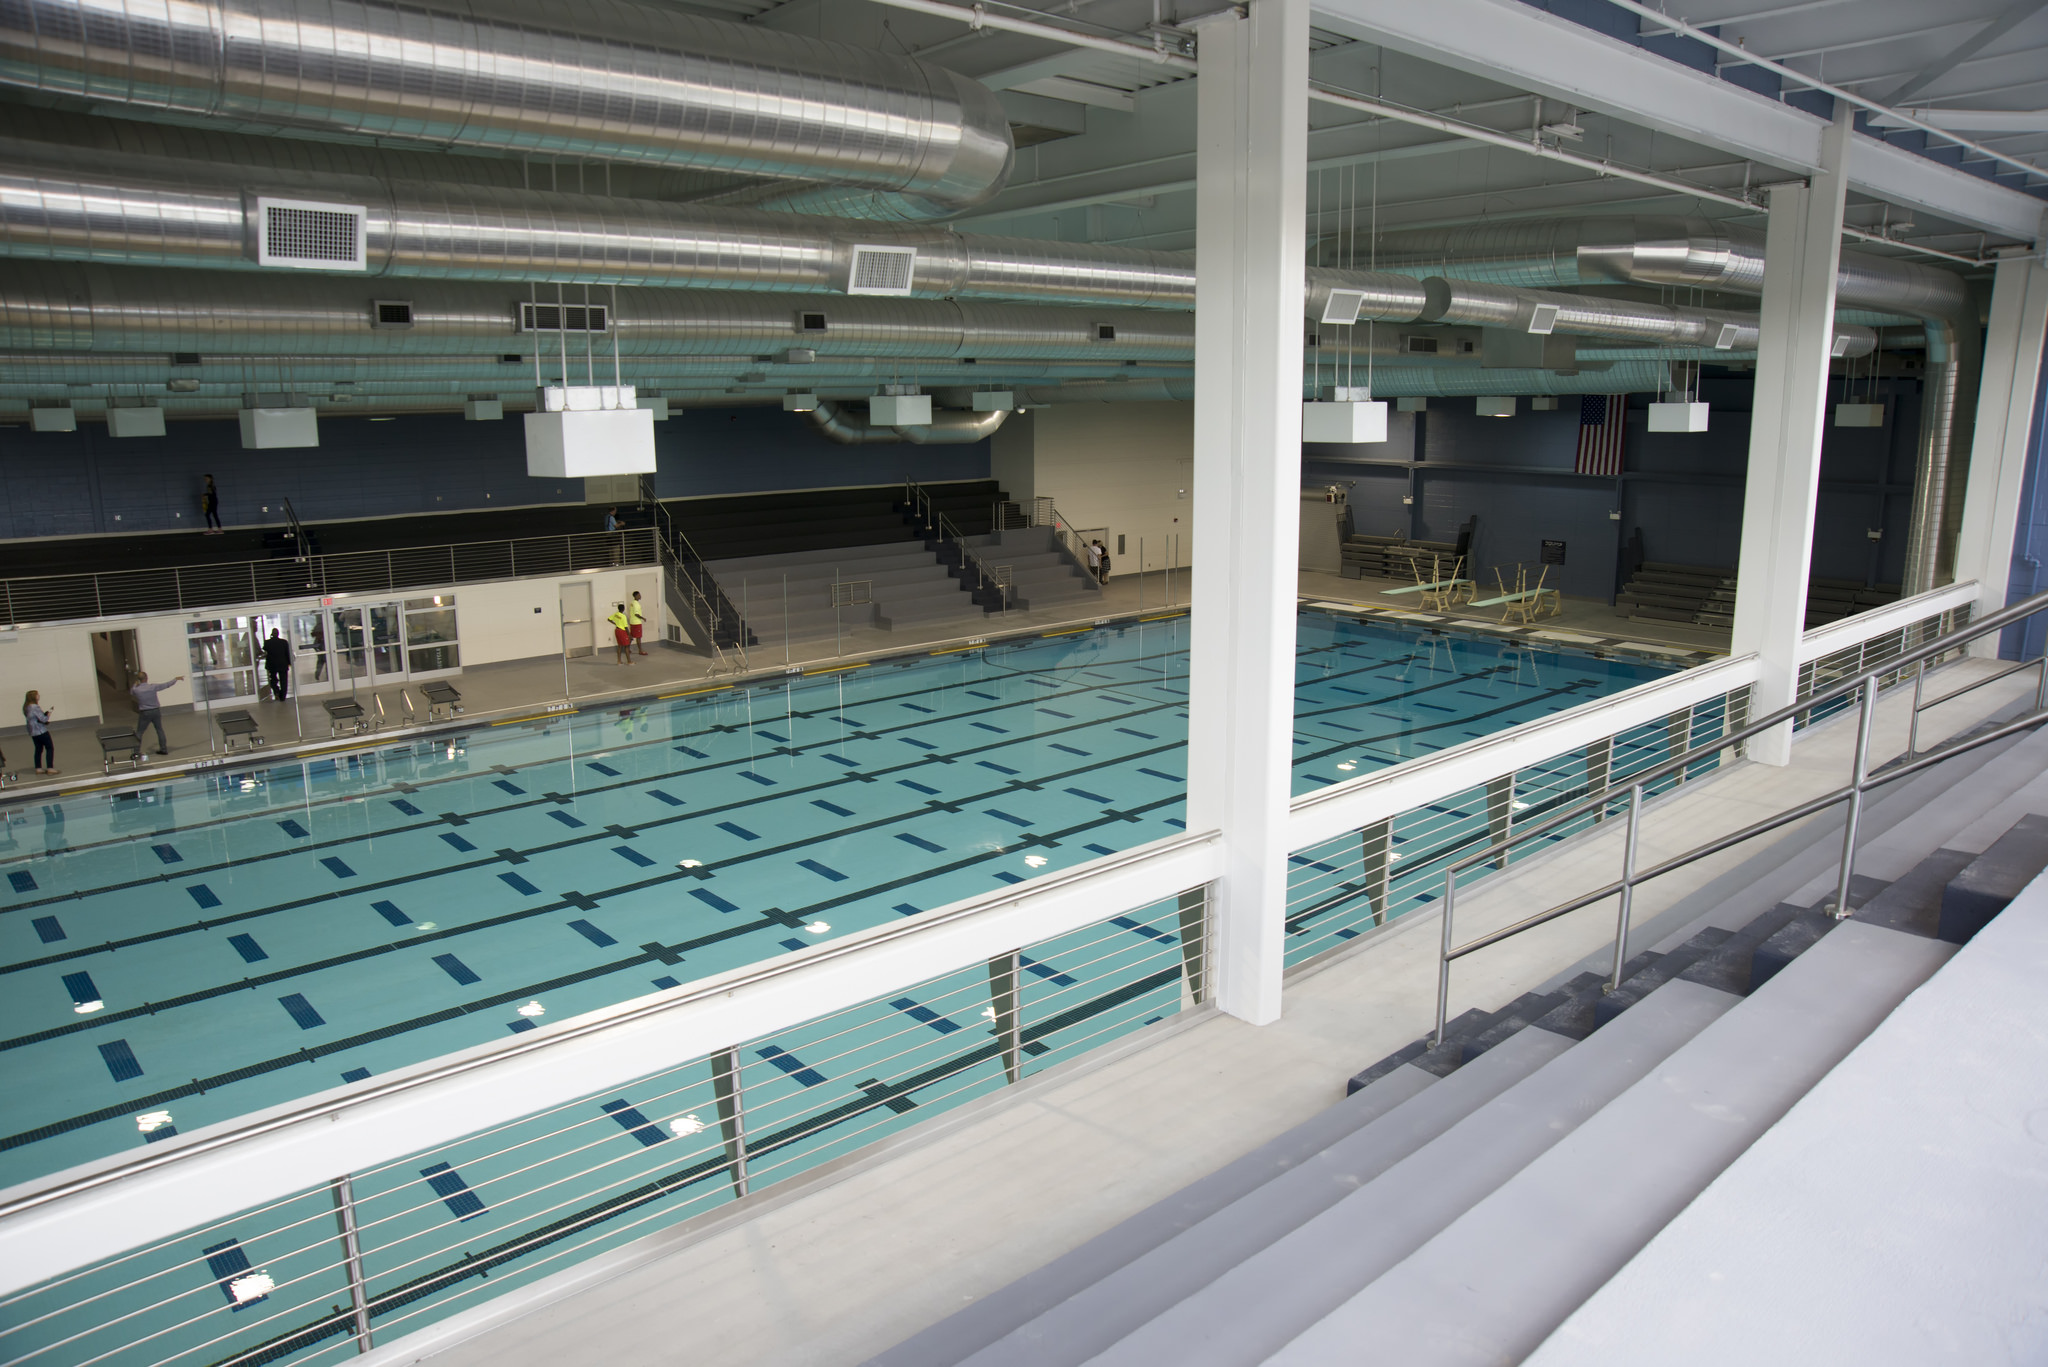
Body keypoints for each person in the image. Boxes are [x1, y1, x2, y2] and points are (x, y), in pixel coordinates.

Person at [130, 671, 185, 755]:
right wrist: (175, 679)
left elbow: (131, 692)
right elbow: (166, 685)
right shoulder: (153, 687)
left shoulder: (137, 690)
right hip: (155, 711)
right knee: (159, 730)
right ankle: (163, 749)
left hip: (145, 712)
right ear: (146, 678)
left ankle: (136, 751)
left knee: (140, 732)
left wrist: (135, 684)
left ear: (139, 680)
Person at [23, 690, 56, 775]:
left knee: (38, 749)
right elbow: (43, 719)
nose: (39, 695)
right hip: (41, 731)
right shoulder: (35, 707)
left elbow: (35, 718)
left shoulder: (26, 707)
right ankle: (50, 768)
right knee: (49, 748)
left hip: (33, 732)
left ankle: (38, 768)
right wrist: (49, 713)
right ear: (34, 697)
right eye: (37, 694)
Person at [262, 629, 292, 700]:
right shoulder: (284, 642)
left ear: (272, 634)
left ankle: (276, 691)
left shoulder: (267, 642)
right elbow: (287, 653)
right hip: (283, 664)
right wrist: (289, 663)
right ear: (278, 634)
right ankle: (283, 697)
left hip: (272, 665)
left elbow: (264, 649)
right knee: (284, 681)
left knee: (273, 680)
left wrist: (271, 638)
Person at [628, 590, 649, 656]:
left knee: (631, 636)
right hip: (636, 622)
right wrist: (643, 618)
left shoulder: (632, 602)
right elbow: (636, 614)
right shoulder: (636, 604)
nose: (640, 596)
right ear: (636, 596)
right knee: (638, 637)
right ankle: (640, 651)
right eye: (639, 595)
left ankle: (627, 649)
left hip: (632, 622)